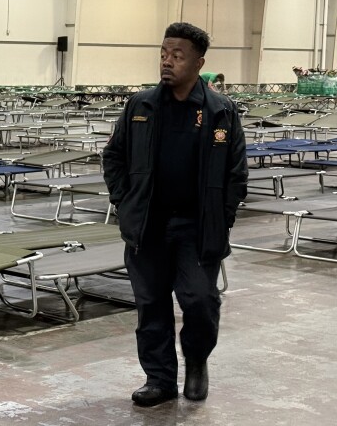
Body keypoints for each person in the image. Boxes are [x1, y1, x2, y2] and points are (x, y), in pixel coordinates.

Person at [102, 22, 248, 408]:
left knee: (200, 300)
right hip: (148, 224)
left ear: (199, 63)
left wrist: (223, 217)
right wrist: (124, 200)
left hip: (197, 228)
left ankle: (197, 361)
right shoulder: (141, 105)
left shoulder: (221, 111)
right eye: (164, 54)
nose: (167, 62)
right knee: (151, 305)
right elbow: (114, 156)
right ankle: (159, 378)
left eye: (177, 56)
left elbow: (237, 173)